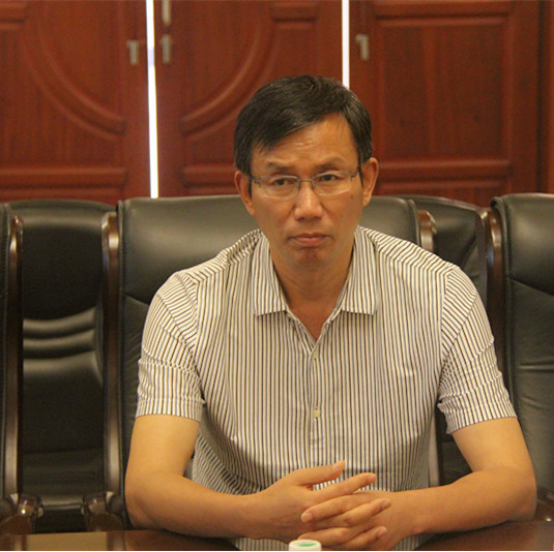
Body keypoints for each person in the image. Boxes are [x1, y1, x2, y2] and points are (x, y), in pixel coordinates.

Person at [125, 75, 536, 551]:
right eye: (281, 181)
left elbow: (513, 483)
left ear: (367, 181)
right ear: (246, 192)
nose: (307, 207)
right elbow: (146, 491)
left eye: (329, 177)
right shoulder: (186, 304)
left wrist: (402, 514)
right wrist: (257, 517)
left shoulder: (441, 294)